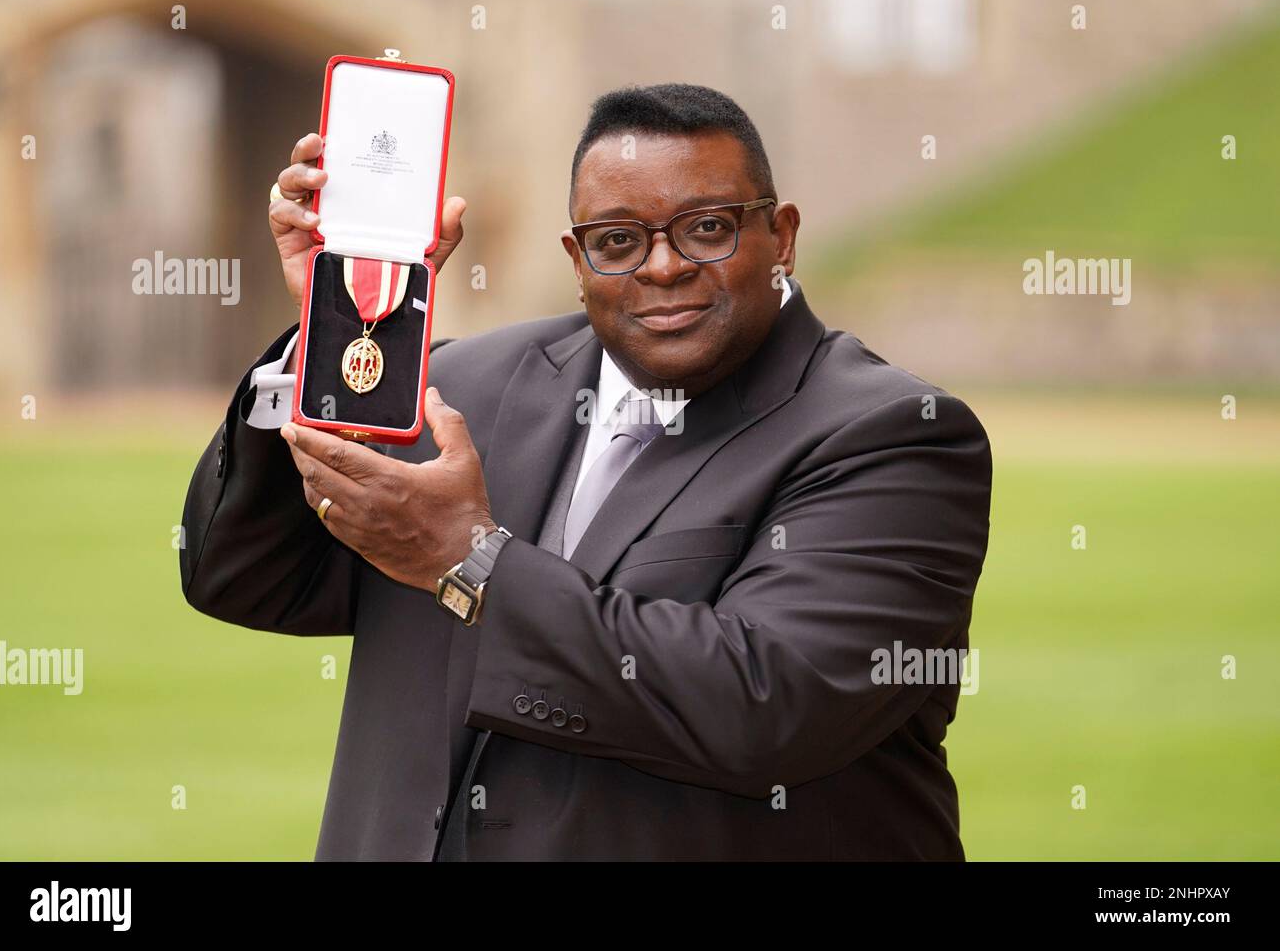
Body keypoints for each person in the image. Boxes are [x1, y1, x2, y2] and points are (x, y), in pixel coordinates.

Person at [179, 83, 993, 861]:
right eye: (618, 240)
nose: (664, 267)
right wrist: (340, 323)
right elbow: (249, 578)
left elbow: (768, 708)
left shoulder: (893, 435)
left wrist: (470, 564)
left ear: (779, 235)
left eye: (707, 228)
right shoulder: (463, 386)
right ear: (578, 256)